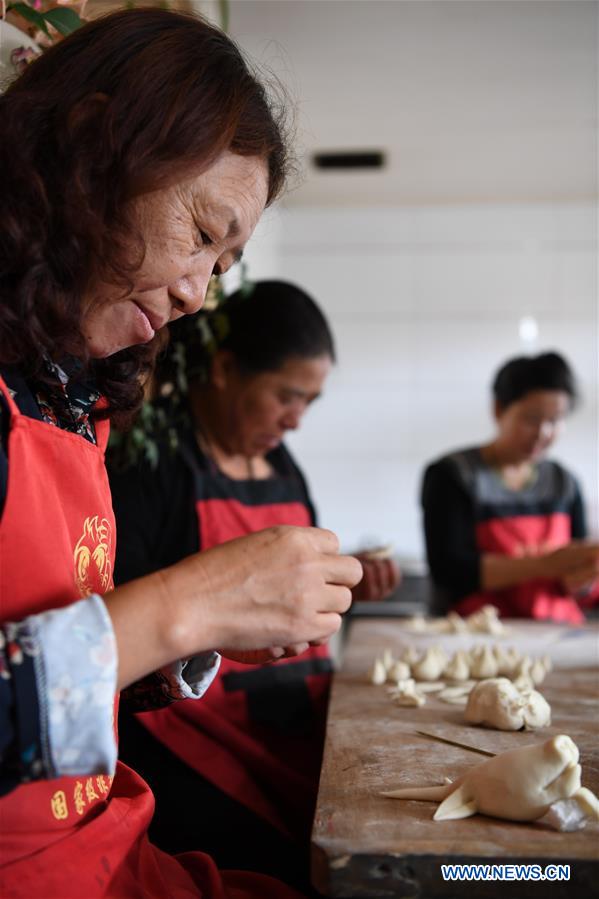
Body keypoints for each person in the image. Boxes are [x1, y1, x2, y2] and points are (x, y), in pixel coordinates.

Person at [0, 10, 363, 899]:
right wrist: (185, 606)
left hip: (105, 856)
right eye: (201, 233)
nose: (198, 294)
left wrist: (199, 639)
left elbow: (57, 677)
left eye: (222, 264)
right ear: (90, 150)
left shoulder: (71, 406)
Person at [107, 280, 400, 883]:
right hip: (200, 741)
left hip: (298, 723)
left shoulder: (281, 463)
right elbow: (121, 622)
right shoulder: (154, 460)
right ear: (224, 369)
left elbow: (295, 584)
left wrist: (346, 583)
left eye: (309, 402)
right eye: (286, 397)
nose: (296, 420)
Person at [421, 351, 599, 623]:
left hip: (558, 632)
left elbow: (579, 581)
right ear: (498, 410)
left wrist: (582, 579)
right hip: (476, 632)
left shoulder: (565, 483)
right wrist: (545, 565)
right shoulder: (453, 476)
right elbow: (450, 572)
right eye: (531, 419)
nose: (543, 433)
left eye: (555, 420)